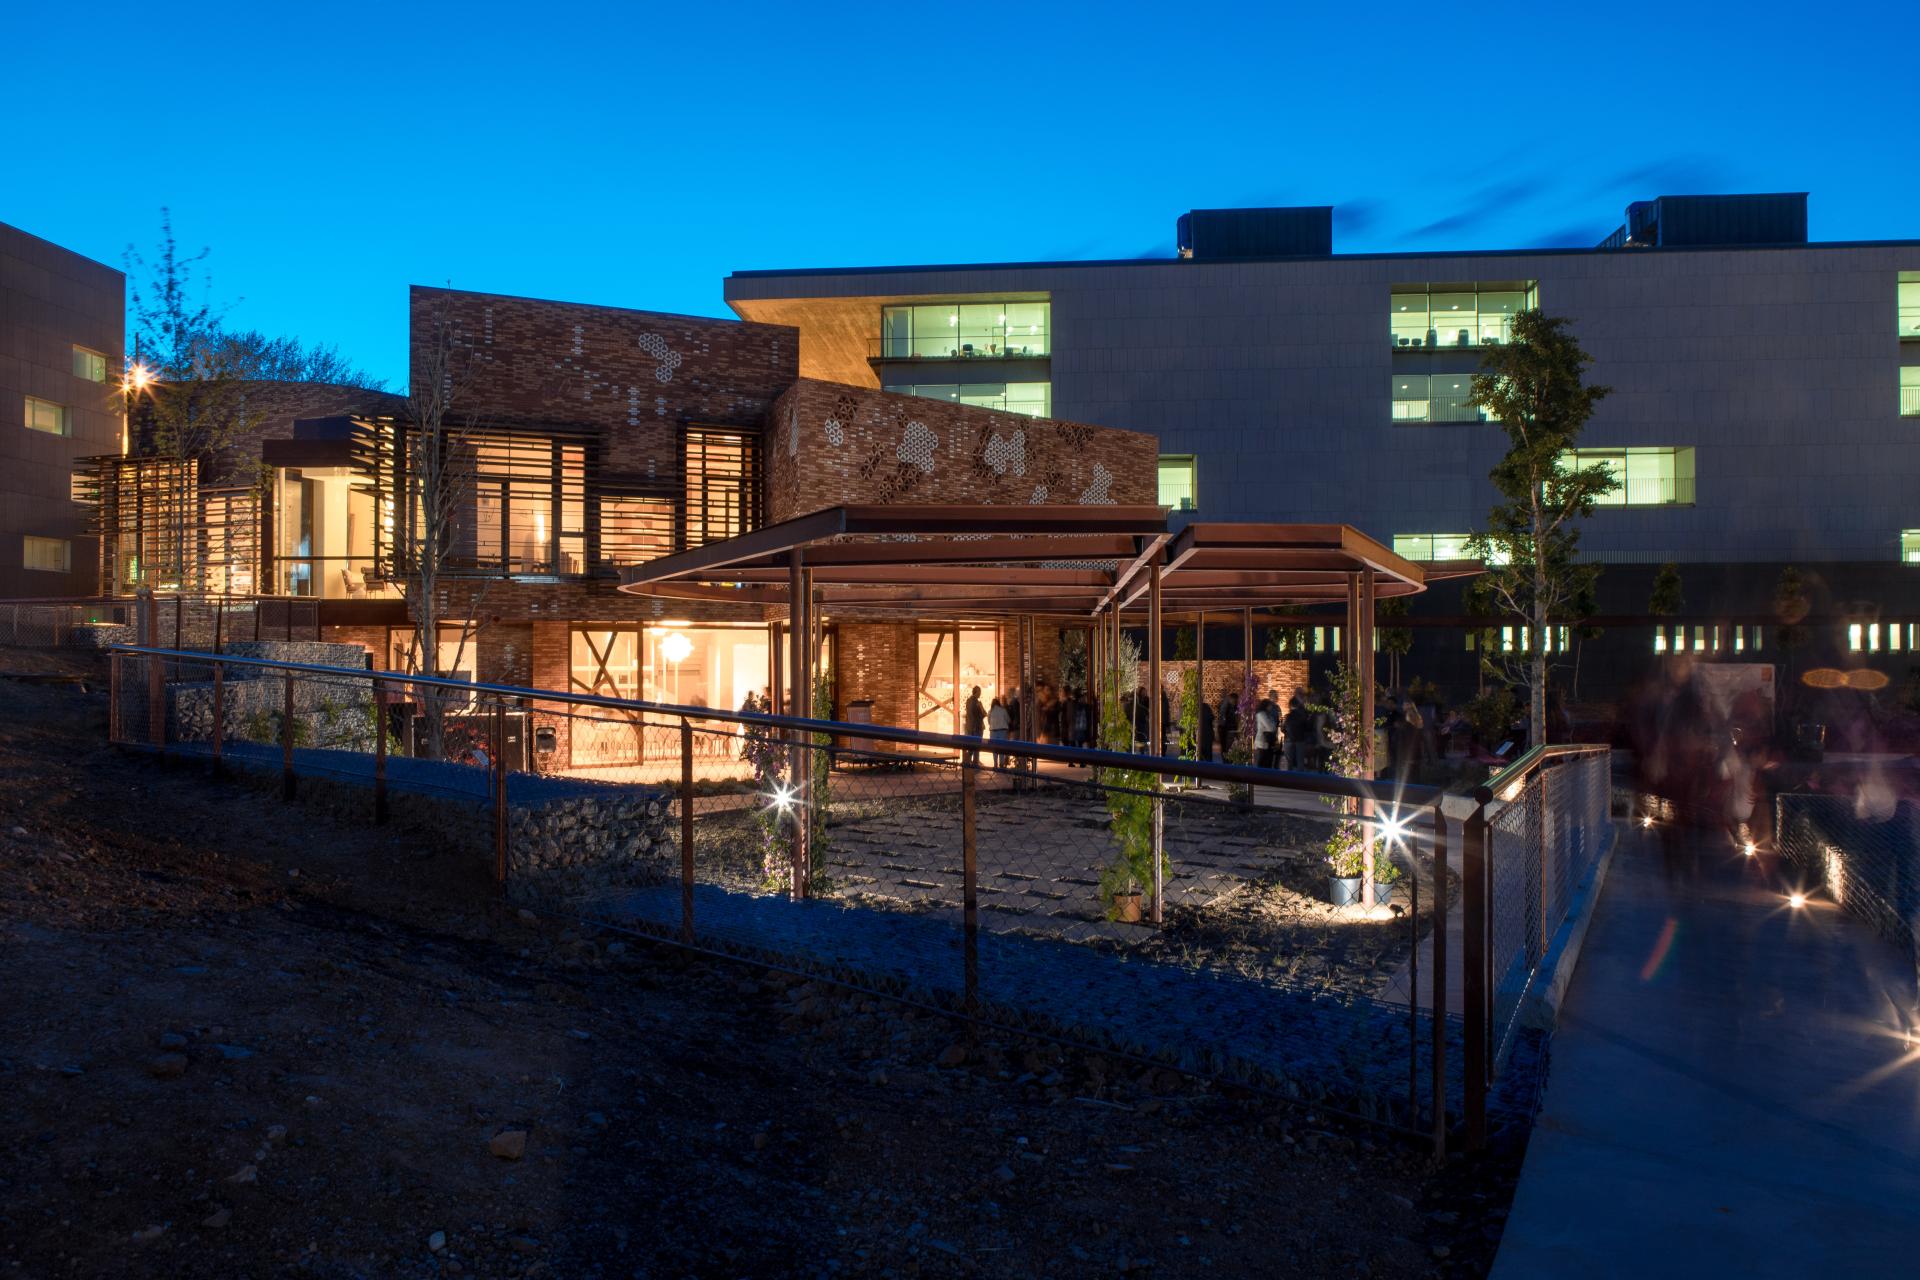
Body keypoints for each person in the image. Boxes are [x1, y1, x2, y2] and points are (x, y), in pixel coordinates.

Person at [1283, 693, 1314, 771]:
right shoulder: (1303, 715)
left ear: (1290, 705)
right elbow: (1307, 727)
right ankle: (1299, 780)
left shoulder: (1288, 716)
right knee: (1300, 762)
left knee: (1289, 762)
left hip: (1289, 740)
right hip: (1300, 740)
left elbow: (1283, 728)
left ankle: (1288, 779)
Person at [1253, 692, 1280, 770]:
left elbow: (1274, 725)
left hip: (1267, 742)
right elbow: (1271, 727)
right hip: (1261, 743)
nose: (1271, 707)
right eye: (1269, 706)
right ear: (1266, 706)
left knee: (1267, 764)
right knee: (1261, 763)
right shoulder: (1261, 714)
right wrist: (1273, 724)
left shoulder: (1268, 714)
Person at [962, 686, 986, 766]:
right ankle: (974, 762)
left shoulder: (968, 701)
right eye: (979, 692)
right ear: (976, 692)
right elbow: (982, 714)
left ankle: (968, 761)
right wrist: (981, 707)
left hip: (970, 727)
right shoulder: (976, 702)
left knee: (971, 746)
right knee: (976, 746)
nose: (980, 694)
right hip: (976, 727)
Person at [987, 695, 1011, 768]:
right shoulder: (1003, 710)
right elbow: (1008, 720)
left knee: (994, 748)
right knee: (1001, 748)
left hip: (993, 731)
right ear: (998, 703)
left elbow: (988, 722)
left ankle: (995, 764)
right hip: (1003, 731)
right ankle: (1001, 763)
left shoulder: (990, 711)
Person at [1216, 690, 1239, 761]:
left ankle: (1228, 759)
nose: (1236, 702)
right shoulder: (1225, 706)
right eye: (1234, 700)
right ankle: (1226, 760)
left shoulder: (1234, 707)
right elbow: (1223, 717)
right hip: (1225, 729)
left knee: (1229, 746)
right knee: (1225, 746)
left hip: (1230, 729)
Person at [1196, 692, 1215, 762]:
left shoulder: (1199, 708)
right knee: (1207, 755)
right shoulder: (1206, 707)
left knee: (1202, 754)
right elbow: (1212, 717)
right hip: (1207, 734)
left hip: (1204, 735)